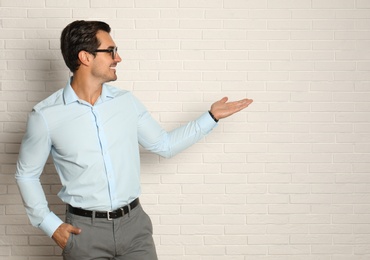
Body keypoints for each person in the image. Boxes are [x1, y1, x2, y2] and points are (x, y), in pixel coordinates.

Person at [15, 20, 253, 260]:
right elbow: (26, 174)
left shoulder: (126, 102)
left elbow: (164, 145)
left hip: (135, 229)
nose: (118, 58)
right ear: (85, 57)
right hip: (83, 234)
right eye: (111, 51)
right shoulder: (45, 115)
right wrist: (49, 224)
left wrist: (210, 117)